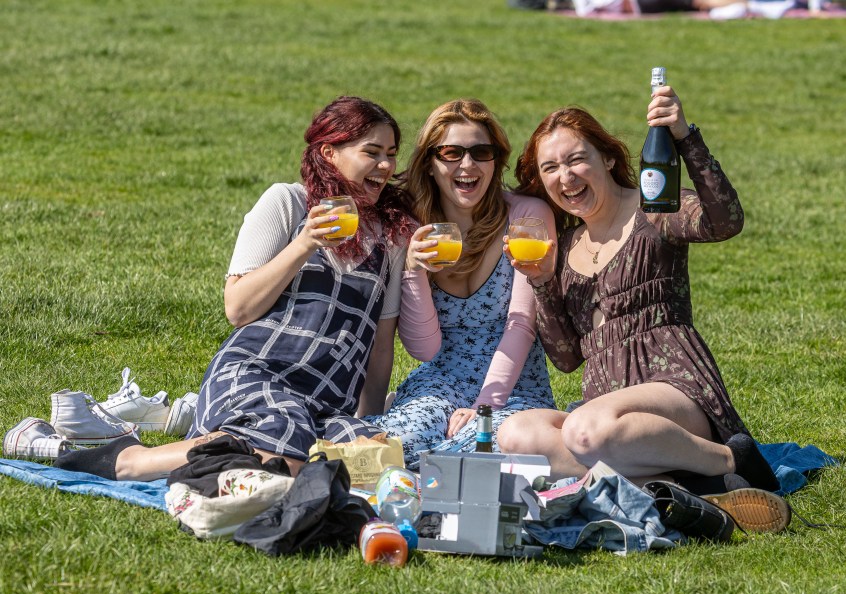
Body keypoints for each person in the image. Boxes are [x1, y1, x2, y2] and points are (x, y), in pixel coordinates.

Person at [54, 96, 416, 480]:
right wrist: (306, 242)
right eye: (372, 152)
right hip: (256, 373)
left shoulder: (390, 241)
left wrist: (369, 421)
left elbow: (379, 347)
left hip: (325, 402)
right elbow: (238, 309)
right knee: (284, 454)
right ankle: (131, 461)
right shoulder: (289, 204)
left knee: (374, 464)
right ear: (329, 153)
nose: (385, 166)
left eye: (391, 154)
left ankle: (209, 450)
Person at [497, 86, 780, 494]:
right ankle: (687, 484)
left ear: (608, 158)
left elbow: (725, 221)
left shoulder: (654, 206)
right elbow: (566, 358)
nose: (566, 176)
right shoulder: (563, 246)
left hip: (674, 388)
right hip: (603, 408)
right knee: (517, 433)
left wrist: (684, 136)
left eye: (577, 159)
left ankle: (736, 458)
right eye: (551, 167)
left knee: (582, 430)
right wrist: (541, 282)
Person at [364, 99, 556, 468]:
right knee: (395, 448)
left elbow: (522, 324)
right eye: (451, 153)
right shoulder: (412, 226)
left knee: (486, 451)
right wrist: (414, 271)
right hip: (440, 380)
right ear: (431, 164)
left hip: (515, 385)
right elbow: (424, 349)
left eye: (481, 152)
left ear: (495, 162)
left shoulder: (525, 218)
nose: (467, 166)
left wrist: (485, 405)